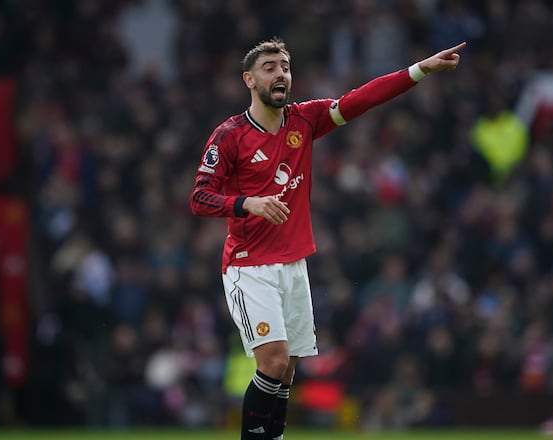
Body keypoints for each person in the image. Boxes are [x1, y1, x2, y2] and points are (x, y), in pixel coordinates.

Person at [190, 37, 465, 439]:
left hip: (294, 263)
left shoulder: (304, 120)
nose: (280, 73)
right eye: (269, 67)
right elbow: (199, 198)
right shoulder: (229, 135)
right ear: (249, 79)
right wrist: (248, 203)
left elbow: (362, 99)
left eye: (285, 66)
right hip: (249, 266)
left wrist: (420, 69)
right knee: (272, 361)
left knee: (287, 369)